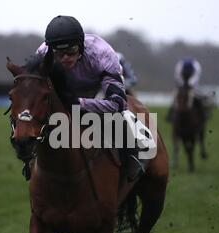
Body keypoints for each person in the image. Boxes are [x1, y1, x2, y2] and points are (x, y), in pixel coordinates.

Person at [34, 15, 155, 182]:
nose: (65, 58)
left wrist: (79, 104)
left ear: (81, 47)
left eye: (71, 52)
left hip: (99, 89)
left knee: (117, 117)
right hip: (65, 92)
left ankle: (132, 157)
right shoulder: (42, 55)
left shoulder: (102, 53)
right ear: (50, 51)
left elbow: (118, 103)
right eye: (59, 54)